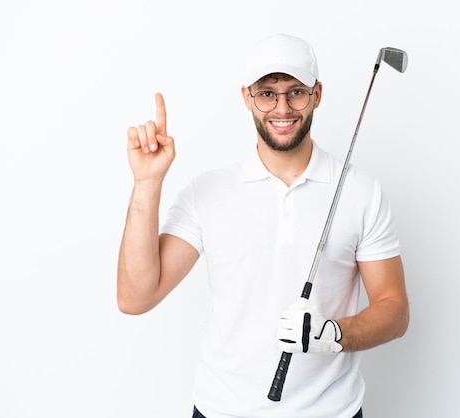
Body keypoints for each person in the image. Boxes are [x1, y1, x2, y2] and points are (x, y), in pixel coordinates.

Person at [118, 33, 409, 418]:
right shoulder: (207, 192)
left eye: (296, 92)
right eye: (267, 93)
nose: (282, 108)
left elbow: (395, 309)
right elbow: (135, 298)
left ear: (317, 94)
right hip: (221, 410)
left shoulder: (360, 191)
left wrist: (336, 335)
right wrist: (146, 183)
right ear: (246, 98)